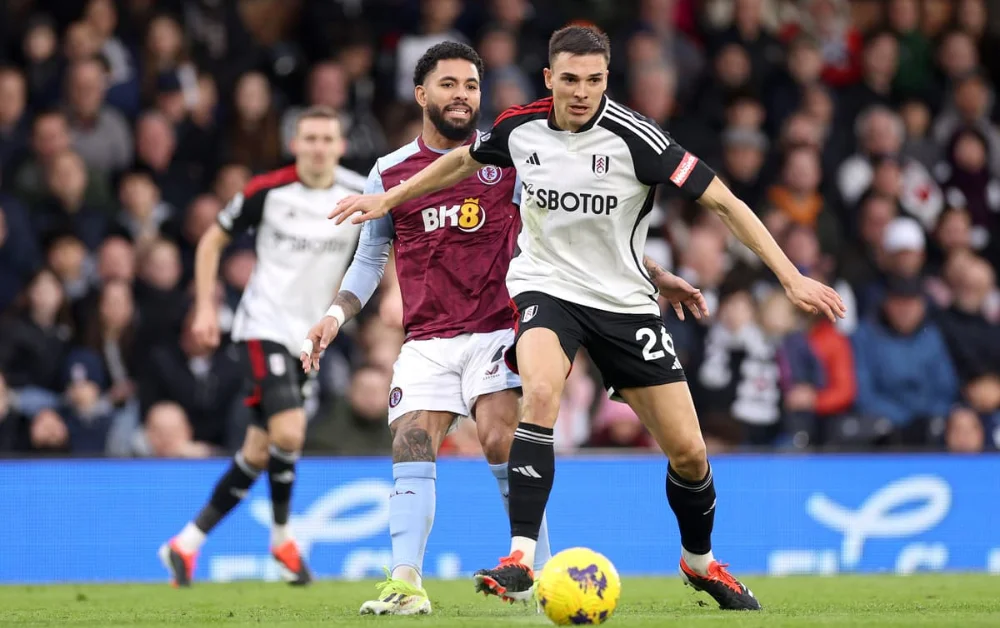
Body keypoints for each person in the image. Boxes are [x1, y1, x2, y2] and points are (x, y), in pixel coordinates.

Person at [331, 26, 846, 611]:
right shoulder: (519, 129)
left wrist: (789, 276)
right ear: (549, 79)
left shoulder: (639, 141)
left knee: (690, 454)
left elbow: (725, 202)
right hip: (544, 291)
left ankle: (700, 563)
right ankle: (523, 558)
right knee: (541, 392)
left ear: (608, 80)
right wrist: (388, 200)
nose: (582, 92)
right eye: (570, 79)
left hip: (623, 304)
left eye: (594, 80)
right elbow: (458, 163)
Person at [300, 42, 552, 616]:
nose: (461, 96)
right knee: (410, 444)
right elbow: (369, 260)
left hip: (495, 328)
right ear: (421, 94)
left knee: (499, 440)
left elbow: (554, 229)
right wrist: (335, 316)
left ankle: (535, 573)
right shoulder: (389, 172)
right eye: (448, 84)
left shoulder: (506, 160)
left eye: (471, 86)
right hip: (427, 339)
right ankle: (407, 584)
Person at [158, 106, 365, 587]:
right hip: (263, 326)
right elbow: (211, 241)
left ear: (340, 145)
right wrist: (206, 308)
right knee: (290, 433)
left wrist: (394, 291)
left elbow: (391, 240)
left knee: (257, 450)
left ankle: (185, 544)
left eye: (326, 139)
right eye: (309, 138)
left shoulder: (361, 192)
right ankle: (282, 540)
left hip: (314, 336)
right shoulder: (267, 191)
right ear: (294, 144)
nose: (318, 147)